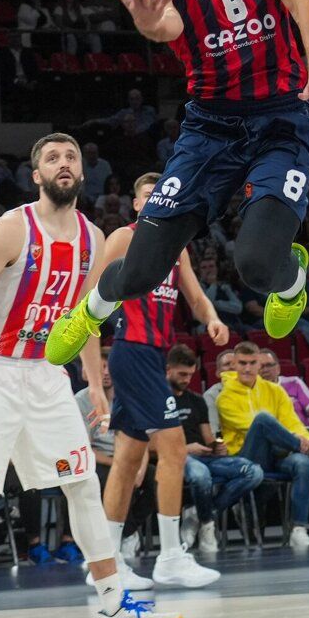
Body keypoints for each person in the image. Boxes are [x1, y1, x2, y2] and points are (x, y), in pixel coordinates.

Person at [47, 0, 309, 371]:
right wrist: (145, 19)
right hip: (210, 127)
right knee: (139, 272)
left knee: (255, 265)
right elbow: (166, 26)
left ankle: (291, 277)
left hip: (281, 118)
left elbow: (306, 3)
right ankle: (93, 309)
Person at [0, 133, 180, 618]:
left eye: (71, 157)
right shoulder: (10, 228)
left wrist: (93, 386)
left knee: (84, 484)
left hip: (45, 373)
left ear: (82, 173)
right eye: (52, 158)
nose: (63, 164)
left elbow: (85, 321)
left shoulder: (93, 237)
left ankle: (114, 609)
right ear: (36, 175)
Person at [96, 172, 226, 589]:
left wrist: (212, 318)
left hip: (153, 356)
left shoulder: (177, 248)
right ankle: (171, 556)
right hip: (131, 349)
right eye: (148, 195)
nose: (156, 200)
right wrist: (89, 369)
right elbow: (91, 297)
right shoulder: (122, 238)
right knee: (173, 451)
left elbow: (195, 297)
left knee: (128, 460)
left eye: (162, 194)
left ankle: (106, 563)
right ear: (137, 205)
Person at [217, 341, 309, 548]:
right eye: (242, 363)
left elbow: (293, 423)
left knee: (301, 463)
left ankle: (298, 530)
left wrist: (306, 441)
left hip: (278, 453)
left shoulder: (275, 391)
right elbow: (251, 427)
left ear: (258, 366)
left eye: (252, 363)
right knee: (262, 421)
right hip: (245, 457)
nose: (247, 368)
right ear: (234, 364)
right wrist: (301, 442)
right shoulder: (224, 397)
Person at [166, 343, 263, 552]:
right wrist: (185, 449)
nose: (186, 380)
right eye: (182, 374)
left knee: (253, 472)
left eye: (190, 375)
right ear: (168, 370)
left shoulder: (197, 400)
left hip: (204, 455)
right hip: (176, 458)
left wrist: (217, 447)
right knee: (201, 476)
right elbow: (151, 444)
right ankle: (208, 524)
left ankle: (200, 515)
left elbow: (208, 437)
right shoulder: (156, 400)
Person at [75, 348, 157, 571]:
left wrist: (138, 467)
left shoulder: (131, 397)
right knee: (110, 480)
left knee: (155, 478)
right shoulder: (81, 401)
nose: (107, 372)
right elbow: (86, 449)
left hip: (130, 455)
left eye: (110, 367)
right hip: (100, 460)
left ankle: (127, 531)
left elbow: (144, 441)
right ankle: (119, 539)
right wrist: (121, 465)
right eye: (101, 367)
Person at [259, 347, 309, 427]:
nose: (265, 370)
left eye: (269, 365)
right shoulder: (252, 391)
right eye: (261, 366)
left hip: (304, 432)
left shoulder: (294, 383)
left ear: (278, 368)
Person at [203, 347, 235, 436]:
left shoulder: (251, 390)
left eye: (236, 363)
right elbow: (213, 430)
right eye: (227, 364)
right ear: (218, 372)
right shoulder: (211, 395)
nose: (232, 367)